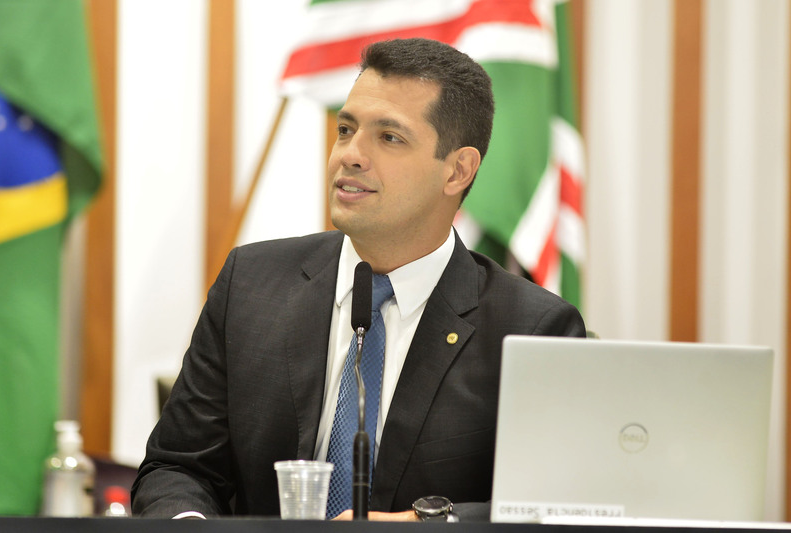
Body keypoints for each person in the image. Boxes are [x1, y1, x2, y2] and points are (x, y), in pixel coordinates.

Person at [131, 37, 585, 522]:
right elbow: (177, 468)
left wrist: (431, 523)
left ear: (458, 170)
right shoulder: (251, 286)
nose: (350, 154)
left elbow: (557, 506)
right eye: (346, 129)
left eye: (389, 137)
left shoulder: (530, 328)